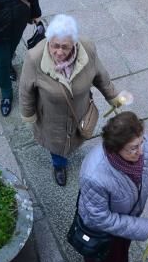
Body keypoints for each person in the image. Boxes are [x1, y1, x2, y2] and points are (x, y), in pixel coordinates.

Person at [19, 14, 121, 186]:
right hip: (51, 118)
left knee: (75, 139)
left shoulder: (87, 49)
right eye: (54, 46)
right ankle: (59, 165)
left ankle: (66, 154)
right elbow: (25, 90)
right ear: (48, 41)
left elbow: (101, 75)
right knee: (57, 147)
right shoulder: (34, 58)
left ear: (74, 44)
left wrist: (112, 96)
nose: (59, 52)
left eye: (65, 47)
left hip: (79, 113)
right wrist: (28, 114)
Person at [78, 111, 148, 262]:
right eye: (134, 148)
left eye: (141, 143)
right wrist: (143, 228)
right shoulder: (94, 175)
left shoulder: (144, 144)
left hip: (127, 217)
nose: (141, 152)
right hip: (98, 226)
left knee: (121, 247)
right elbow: (100, 218)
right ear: (115, 148)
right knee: (96, 249)